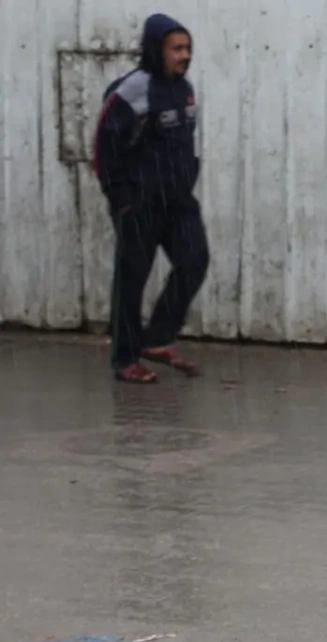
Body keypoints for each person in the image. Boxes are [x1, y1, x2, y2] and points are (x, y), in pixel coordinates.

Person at [93, 13, 208, 384]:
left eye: (187, 48)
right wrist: (121, 197)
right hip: (139, 202)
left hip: (177, 202)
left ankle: (157, 338)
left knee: (194, 260)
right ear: (156, 49)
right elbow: (103, 146)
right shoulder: (132, 90)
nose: (184, 55)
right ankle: (125, 359)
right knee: (131, 280)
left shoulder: (184, 87)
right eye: (177, 48)